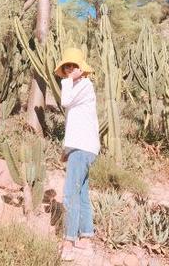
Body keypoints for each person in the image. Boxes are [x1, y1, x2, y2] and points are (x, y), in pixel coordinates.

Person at [54, 47, 100, 261]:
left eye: (74, 65)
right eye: (67, 66)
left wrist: (66, 81)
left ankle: (69, 242)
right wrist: (67, 150)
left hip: (82, 148)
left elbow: (65, 101)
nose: (70, 69)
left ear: (82, 68)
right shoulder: (81, 86)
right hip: (82, 147)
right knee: (81, 194)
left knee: (70, 194)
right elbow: (78, 124)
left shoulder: (83, 85)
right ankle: (86, 240)